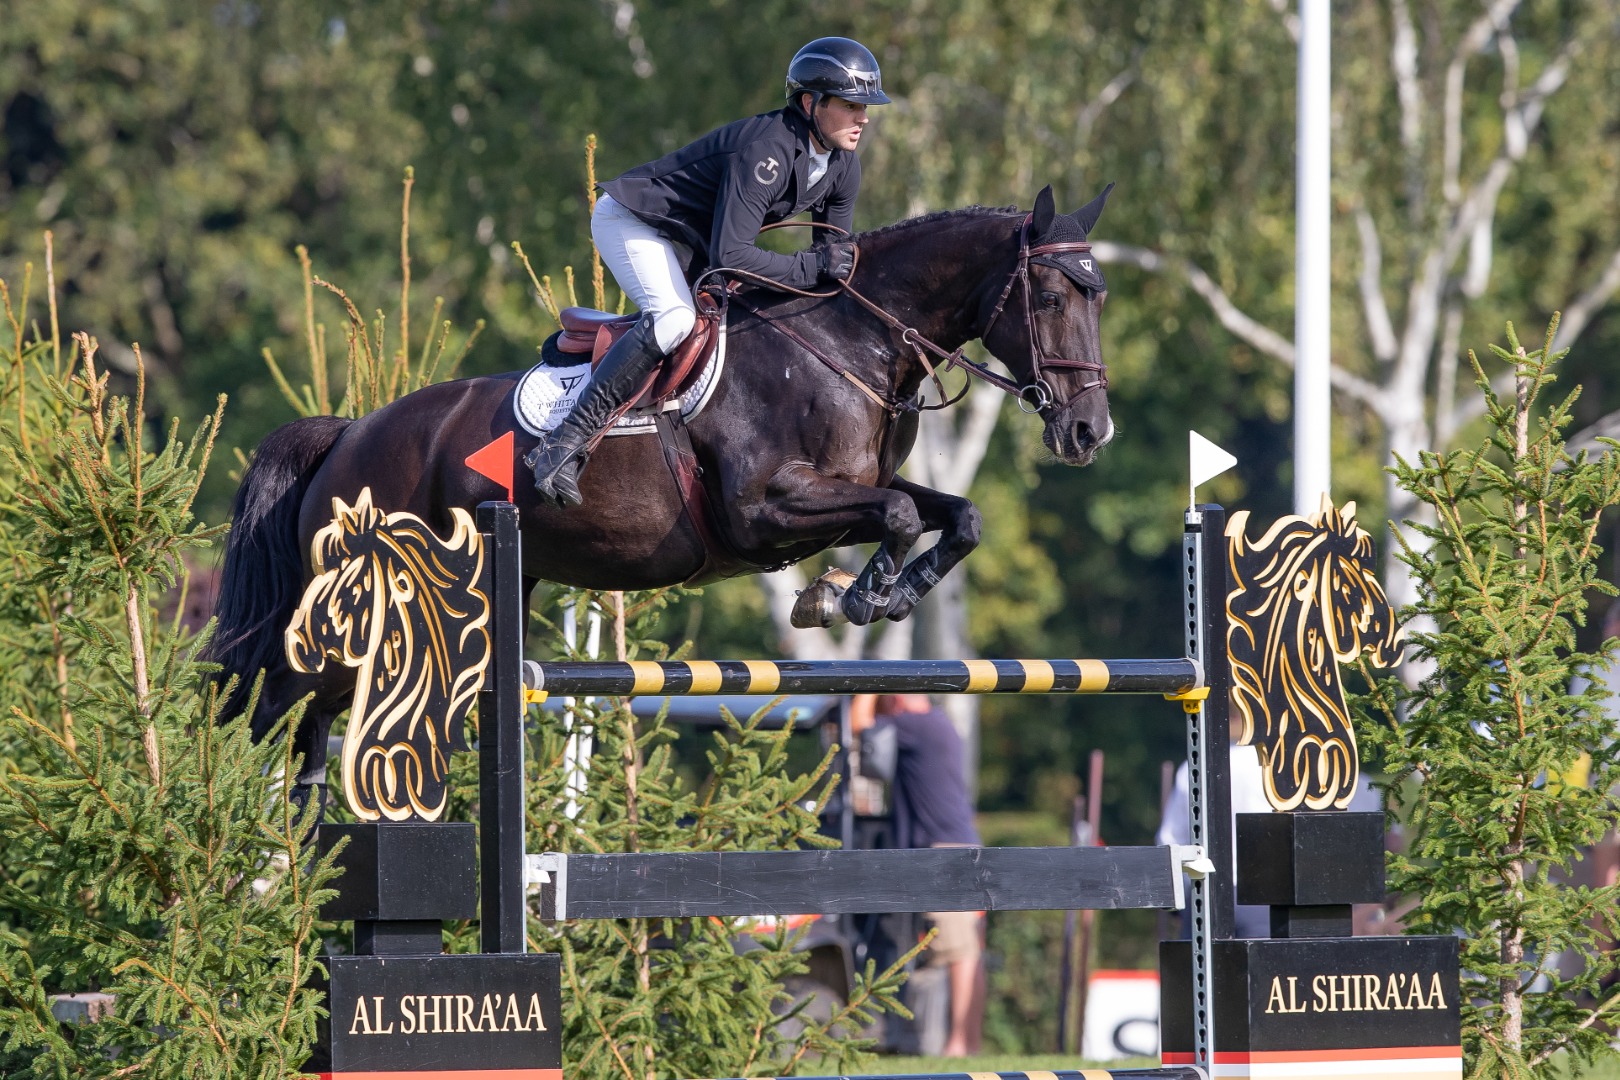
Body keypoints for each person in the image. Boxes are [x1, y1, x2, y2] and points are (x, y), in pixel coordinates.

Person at [526, 37, 890, 508]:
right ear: (810, 103)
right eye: (851, 104)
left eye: (866, 106)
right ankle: (563, 443)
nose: (864, 117)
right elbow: (734, 256)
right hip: (635, 221)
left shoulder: (844, 166)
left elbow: (830, 267)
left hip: (693, 241)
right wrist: (813, 265)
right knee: (674, 320)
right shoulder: (767, 151)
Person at [850, 693, 984, 1057]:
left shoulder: (917, 725)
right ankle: (967, 1042)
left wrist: (866, 690)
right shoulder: (936, 724)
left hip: (943, 851)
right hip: (959, 845)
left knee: (960, 953)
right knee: (969, 951)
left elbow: (860, 729)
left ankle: (959, 1045)